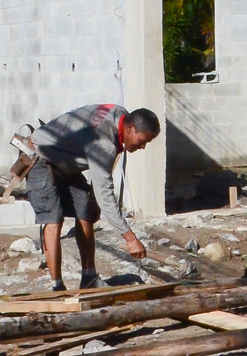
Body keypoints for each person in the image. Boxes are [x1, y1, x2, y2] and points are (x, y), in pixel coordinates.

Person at [21, 104, 161, 292]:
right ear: (130, 128)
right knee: (53, 220)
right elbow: (106, 194)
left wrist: (94, 200)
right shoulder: (104, 143)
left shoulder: (119, 114)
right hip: (40, 156)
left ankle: (89, 277)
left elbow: (100, 179)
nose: (142, 147)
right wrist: (130, 238)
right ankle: (57, 287)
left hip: (67, 162)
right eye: (142, 140)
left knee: (86, 212)